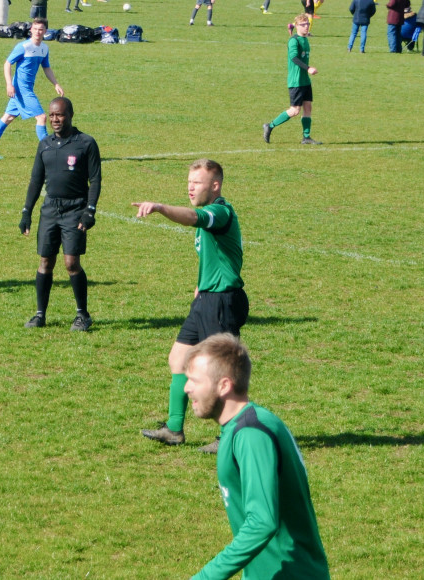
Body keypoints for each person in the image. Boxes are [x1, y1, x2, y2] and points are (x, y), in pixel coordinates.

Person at [184, 334, 330, 580]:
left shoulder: (251, 434)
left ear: (224, 385)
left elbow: (262, 522)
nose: (187, 388)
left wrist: (205, 577)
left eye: (194, 380)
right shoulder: (242, 427)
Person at [134, 159, 249, 453]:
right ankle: (174, 429)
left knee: (220, 370)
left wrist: (160, 208)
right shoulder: (207, 212)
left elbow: (190, 218)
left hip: (222, 300)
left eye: (196, 183)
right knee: (178, 359)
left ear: (215, 185)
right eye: (188, 182)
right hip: (206, 299)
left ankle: (230, 434)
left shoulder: (219, 212)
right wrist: (201, 284)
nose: (190, 187)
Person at [19, 97, 101, 330]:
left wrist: (90, 211)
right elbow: (36, 180)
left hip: (75, 209)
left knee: (71, 262)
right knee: (45, 261)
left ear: (70, 115)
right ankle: (39, 314)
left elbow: (95, 180)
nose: (55, 119)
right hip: (50, 209)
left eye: (60, 115)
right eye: (52, 115)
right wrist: (27, 211)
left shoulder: (85, 143)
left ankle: (82, 315)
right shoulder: (45, 144)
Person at [0, 18, 65, 159]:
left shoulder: (44, 48)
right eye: (35, 29)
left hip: (25, 88)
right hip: (21, 89)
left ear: (45, 31)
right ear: (31, 30)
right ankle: (49, 152)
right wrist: (9, 84)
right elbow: (7, 63)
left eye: (41, 29)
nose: (38, 32)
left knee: (7, 117)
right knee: (42, 117)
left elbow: (46, 67)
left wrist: (56, 84)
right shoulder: (23, 46)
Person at [263, 14, 322, 145]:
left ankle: (306, 137)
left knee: (308, 108)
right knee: (295, 110)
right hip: (296, 81)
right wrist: (308, 68)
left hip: (305, 81)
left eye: (307, 24)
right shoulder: (293, 41)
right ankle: (270, 126)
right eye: (303, 25)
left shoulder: (305, 39)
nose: (306, 26)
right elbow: (294, 58)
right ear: (296, 26)